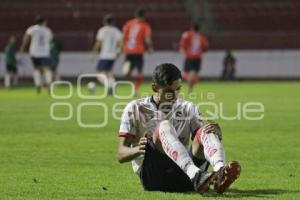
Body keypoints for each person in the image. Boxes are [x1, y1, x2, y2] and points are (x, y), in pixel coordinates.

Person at [117, 63, 241, 194]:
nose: (175, 96)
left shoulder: (188, 108)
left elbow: (202, 142)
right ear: (155, 87)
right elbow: (120, 154)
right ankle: (196, 175)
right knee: (164, 126)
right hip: (154, 177)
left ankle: (220, 172)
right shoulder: (134, 108)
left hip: (186, 178)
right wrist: (138, 150)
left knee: (206, 130)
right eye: (169, 91)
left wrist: (216, 134)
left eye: (178, 89)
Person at [122, 7, 153, 96]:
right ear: (144, 16)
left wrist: (122, 47)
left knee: (128, 72)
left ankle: (127, 70)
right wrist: (150, 47)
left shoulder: (128, 23)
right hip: (138, 51)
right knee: (139, 72)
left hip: (128, 50)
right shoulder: (145, 25)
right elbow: (147, 38)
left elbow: (123, 36)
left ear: (135, 15)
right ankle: (135, 90)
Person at [19, 15, 53, 94]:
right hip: (44, 52)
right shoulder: (47, 30)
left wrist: (22, 47)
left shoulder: (32, 29)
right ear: (44, 22)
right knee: (46, 69)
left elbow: (26, 38)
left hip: (34, 52)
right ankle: (49, 84)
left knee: (36, 69)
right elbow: (50, 39)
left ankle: (38, 85)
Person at [91, 14, 122, 95]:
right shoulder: (117, 31)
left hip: (104, 55)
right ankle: (111, 86)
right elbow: (120, 44)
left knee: (98, 73)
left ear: (104, 21)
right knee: (109, 72)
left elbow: (98, 42)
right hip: (113, 55)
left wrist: (93, 52)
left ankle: (109, 86)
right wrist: (118, 53)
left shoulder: (102, 30)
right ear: (113, 22)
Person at [180, 23, 208, 93]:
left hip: (189, 56)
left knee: (190, 72)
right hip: (197, 57)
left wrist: (183, 53)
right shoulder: (201, 36)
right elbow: (205, 47)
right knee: (194, 72)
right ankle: (190, 87)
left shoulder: (187, 34)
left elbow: (182, 45)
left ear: (192, 28)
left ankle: (189, 86)